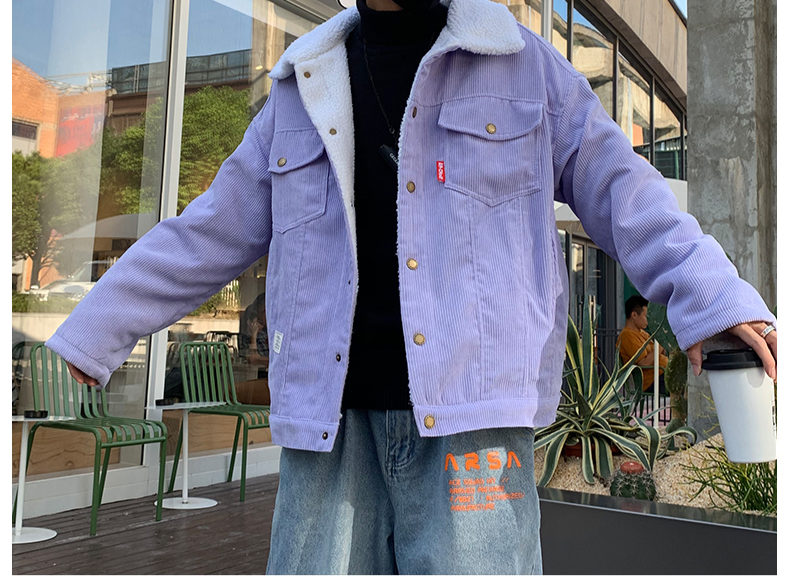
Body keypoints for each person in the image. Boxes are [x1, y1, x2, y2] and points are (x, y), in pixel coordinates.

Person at [46, 0, 778, 575]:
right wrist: (101, 322)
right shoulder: (301, 85)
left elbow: (625, 192)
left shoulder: (528, 69)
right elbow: (210, 229)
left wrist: (712, 297)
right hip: (329, 432)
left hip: (475, 428)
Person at [617, 295, 668, 398]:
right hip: (654, 379)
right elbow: (644, 363)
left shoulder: (642, 332)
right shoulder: (627, 336)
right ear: (634, 315)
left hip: (663, 373)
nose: (648, 320)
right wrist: (660, 345)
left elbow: (660, 352)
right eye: (646, 316)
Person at [238, 292, 269, 379]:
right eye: (258, 323)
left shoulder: (265, 334)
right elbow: (252, 358)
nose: (261, 326)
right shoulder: (243, 338)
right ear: (249, 322)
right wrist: (253, 336)